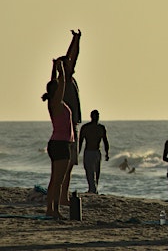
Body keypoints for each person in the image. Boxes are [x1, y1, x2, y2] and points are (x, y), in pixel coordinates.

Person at [42, 57, 73, 219]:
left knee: (55, 180)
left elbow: (54, 82)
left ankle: (51, 209)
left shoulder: (53, 103)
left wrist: (54, 67)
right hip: (60, 144)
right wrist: (61, 70)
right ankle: (53, 210)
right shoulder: (56, 103)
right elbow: (61, 84)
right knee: (58, 181)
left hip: (58, 143)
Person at [61, 29, 82, 205]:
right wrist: (75, 40)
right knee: (66, 166)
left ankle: (64, 196)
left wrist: (76, 39)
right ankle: (62, 197)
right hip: (70, 129)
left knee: (68, 167)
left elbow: (72, 59)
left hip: (71, 127)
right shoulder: (64, 82)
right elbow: (72, 57)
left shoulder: (65, 82)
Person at [78, 110, 110, 194]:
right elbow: (80, 141)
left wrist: (107, 153)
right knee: (90, 171)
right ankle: (92, 189)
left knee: (95, 171)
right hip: (90, 151)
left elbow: (105, 141)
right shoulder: (87, 127)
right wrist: (77, 153)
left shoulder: (100, 128)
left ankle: (93, 189)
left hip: (95, 152)